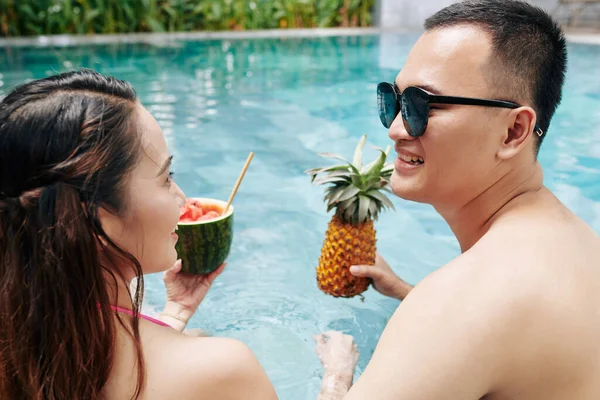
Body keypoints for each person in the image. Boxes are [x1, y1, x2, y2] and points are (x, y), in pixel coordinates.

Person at [314, 0, 600, 399]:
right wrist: (405, 292)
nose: (397, 128)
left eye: (422, 105)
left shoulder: (460, 302)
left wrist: (337, 375)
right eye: (393, 100)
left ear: (514, 131)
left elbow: (472, 311)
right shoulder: (576, 241)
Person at [0, 69, 279, 399]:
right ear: (101, 222)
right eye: (165, 177)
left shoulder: (19, 344)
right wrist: (339, 376)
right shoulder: (222, 369)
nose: (181, 196)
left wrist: (174, 315)